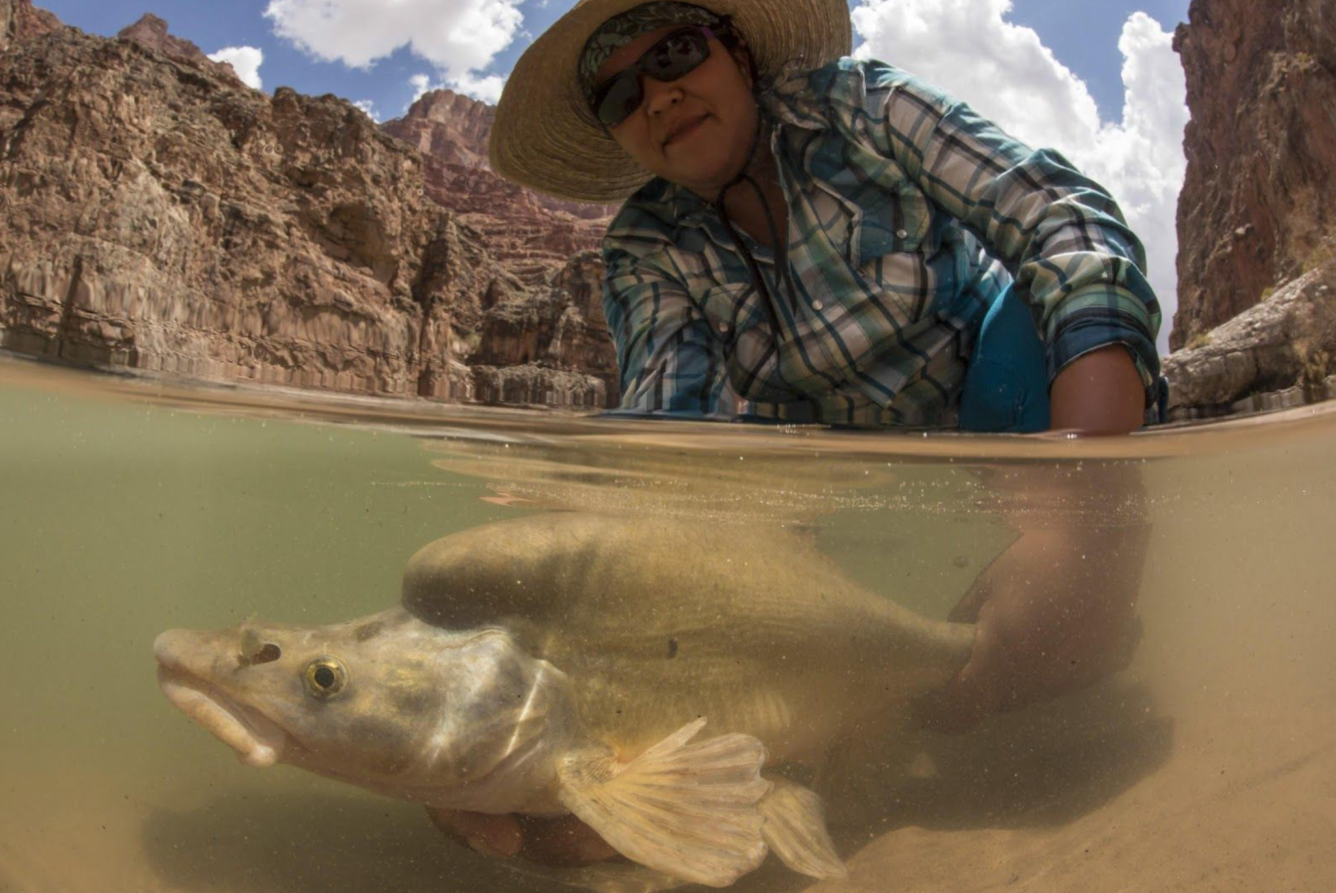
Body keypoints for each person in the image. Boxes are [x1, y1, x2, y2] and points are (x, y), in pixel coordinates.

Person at [438, 0, 1160, 865]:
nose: (658, 97)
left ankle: (1059, 625)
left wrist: (1084, 483)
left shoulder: (856, 104)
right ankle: (840, 736)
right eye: (620, 94)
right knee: (923, 691)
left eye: (674, 52)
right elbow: (676, 430)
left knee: (1055, 620)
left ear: (738, 49)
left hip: (1001, 378)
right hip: (828, 452)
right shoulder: (644, 246)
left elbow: (1060, 219)